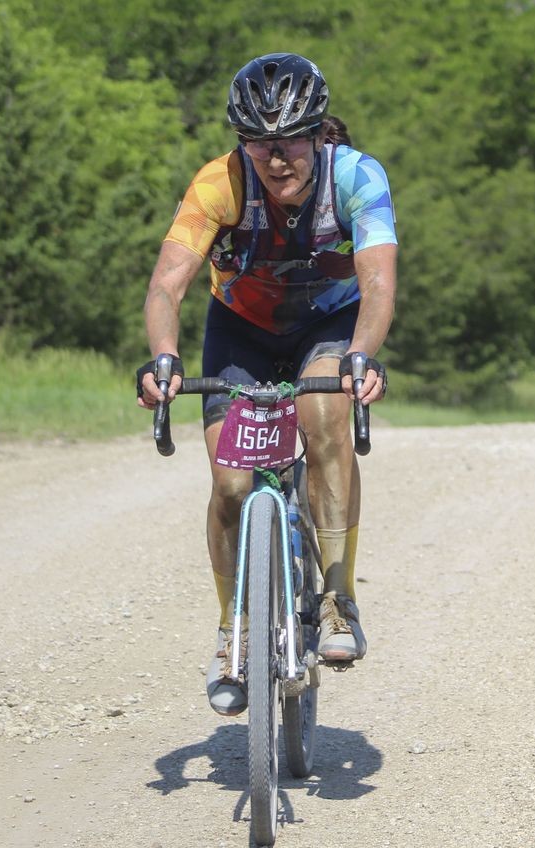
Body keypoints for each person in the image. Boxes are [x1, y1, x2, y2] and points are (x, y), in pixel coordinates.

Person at [136, 53, 397, 715]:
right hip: (241, 331)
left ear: (319, 136)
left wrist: (361, 356)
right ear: (241, 142)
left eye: (290, 143)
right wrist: (163, 359)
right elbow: (167, 286)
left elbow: (377, 284)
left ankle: (338, 599)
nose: (276, 159)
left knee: (323, 418)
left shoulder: (358, 178)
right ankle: (232, 628)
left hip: (327, 326)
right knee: (229, 483)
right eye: (259, 144)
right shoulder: (218, 184)